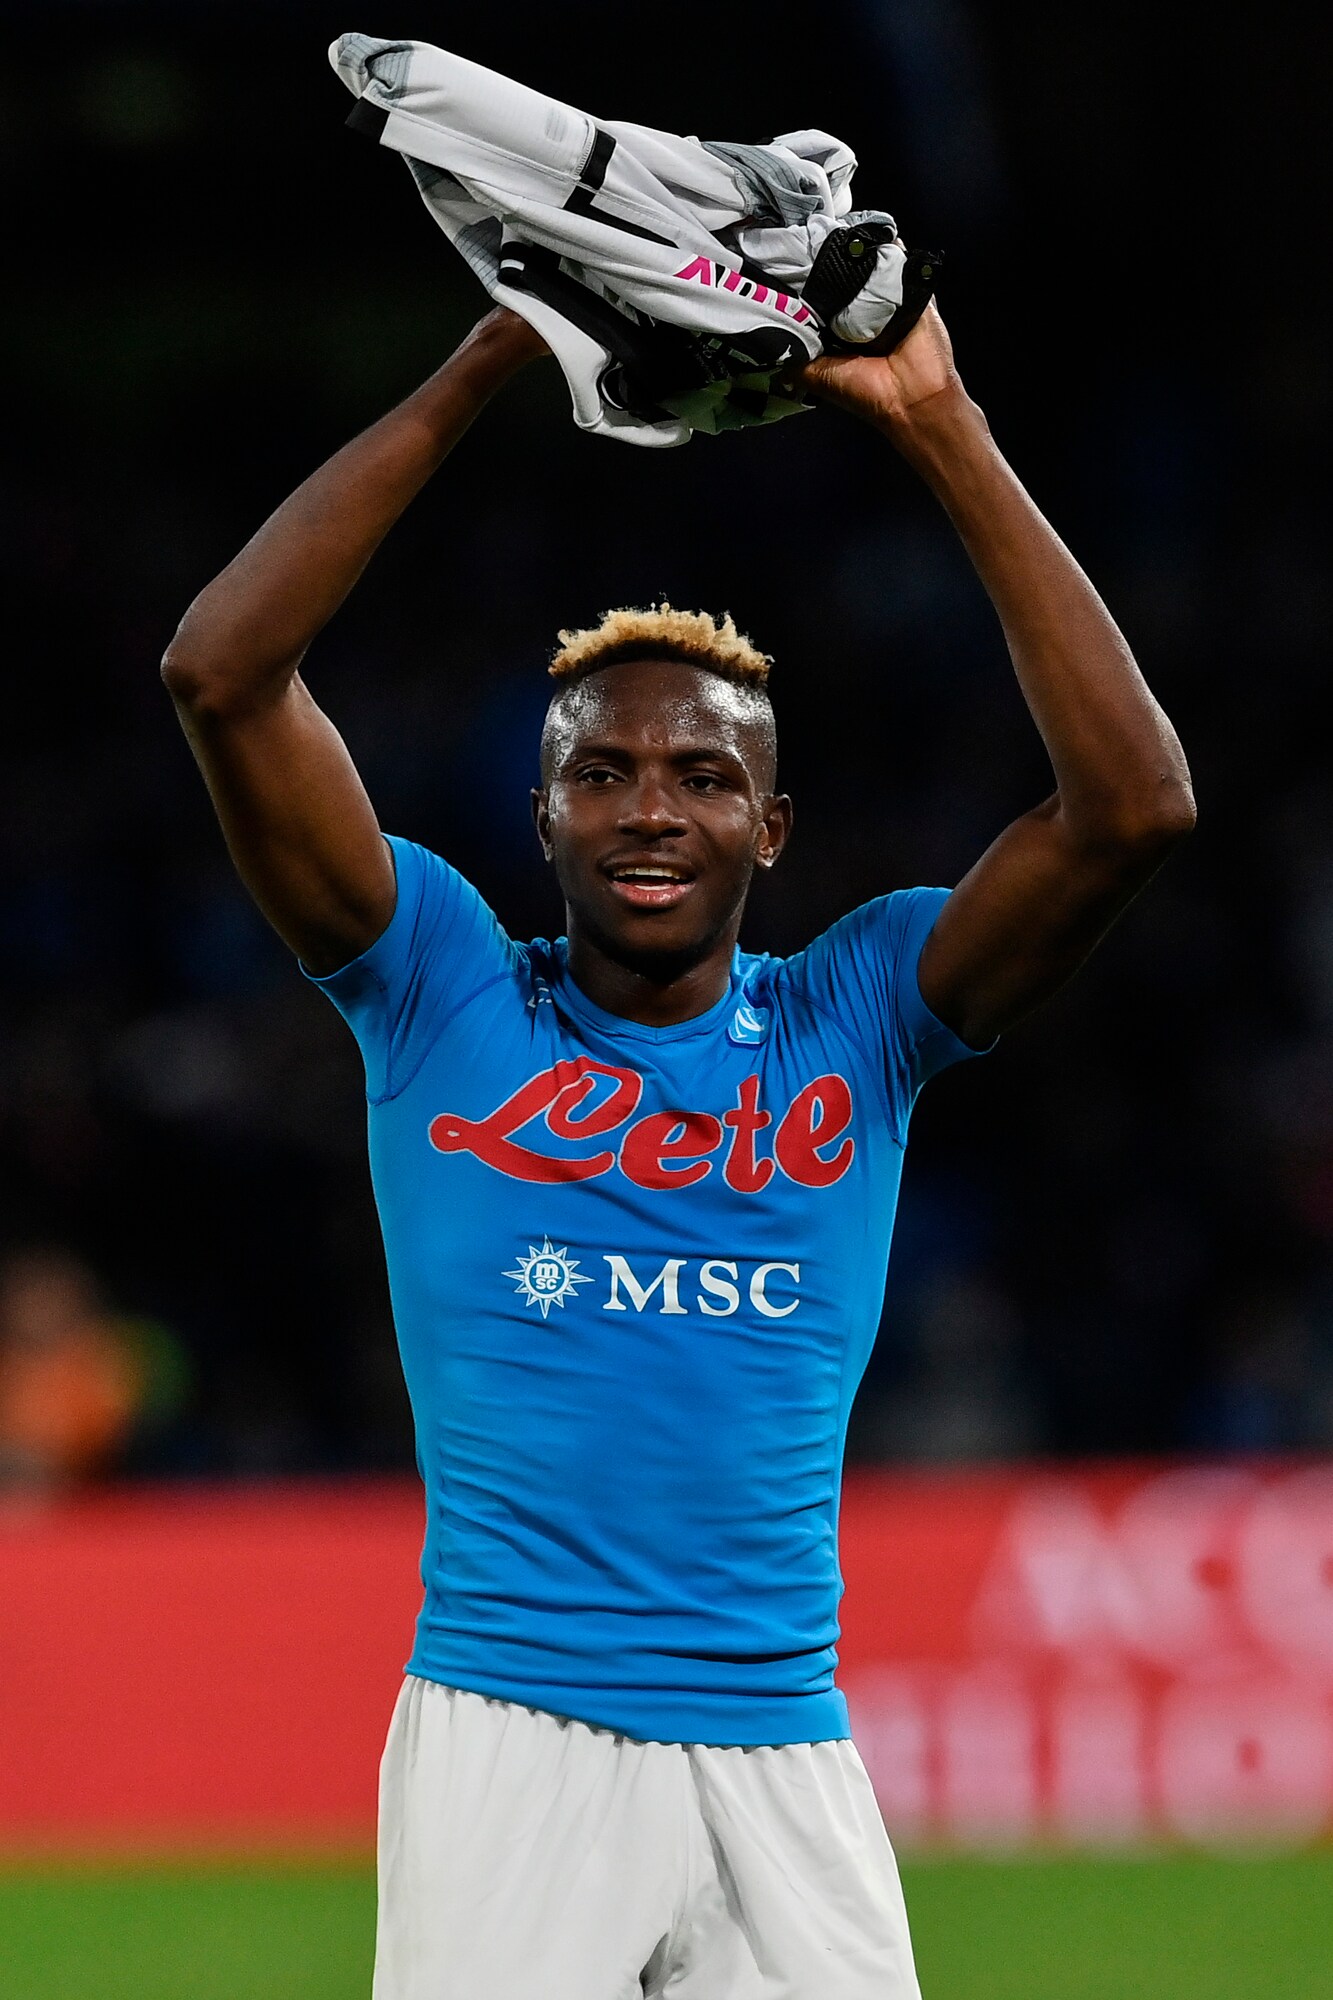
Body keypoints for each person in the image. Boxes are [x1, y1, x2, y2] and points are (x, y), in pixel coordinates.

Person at [162, 301, 1194, 1998]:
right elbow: (218, 673)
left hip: (785, 1746)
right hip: (509, 1737)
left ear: (769, 827)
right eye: (605, 773)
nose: (651, 807)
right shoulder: (439, 982)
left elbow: (1134, 808)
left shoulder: (859, 1010)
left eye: (704, 777)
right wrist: (496, 357)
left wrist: (939, 423)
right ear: (541, 815)